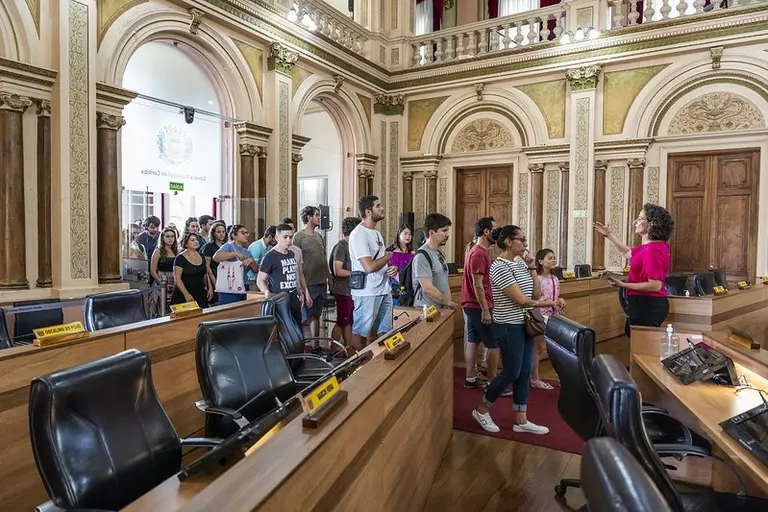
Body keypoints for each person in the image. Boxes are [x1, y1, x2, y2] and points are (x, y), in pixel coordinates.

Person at [471, 225, 560, 436]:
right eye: (522, 239)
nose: (526, 243)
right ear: (509, 242)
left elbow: (535, 294)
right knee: (512, 371)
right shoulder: (499, 267)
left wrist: (531, 268)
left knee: (524, 372)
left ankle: (521, 419)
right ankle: (482, 409)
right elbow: (521, 300)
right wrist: (552, 302)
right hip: (508, 325)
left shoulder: (520, 265)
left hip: (524, 324)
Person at [593, 203, 674, 337]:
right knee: (638, 346)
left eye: (640, 219)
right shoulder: (650, 246)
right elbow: (627, 253)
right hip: (642, 303)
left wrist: (622, 284)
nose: (635, 222)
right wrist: (609, 235)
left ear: (652, 224)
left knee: (643, 349)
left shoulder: (653, 250)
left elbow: (655, 285)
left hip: (649, 305)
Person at [348, 195, 397, 347]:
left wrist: (391, 268)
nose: (382, 208)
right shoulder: (358, 234)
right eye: (378, 205)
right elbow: (369, 267)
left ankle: (377, 365)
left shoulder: (376, 233)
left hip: (383, 288)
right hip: (367, 291)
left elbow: (379, 262)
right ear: (368, 211)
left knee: (384, 331)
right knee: (361, 331)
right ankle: (355, 367)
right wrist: (389, 256)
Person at [461, 217, 498, 389]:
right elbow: (478, 285)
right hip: (477, 305)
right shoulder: (479, 253)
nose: (496, 233)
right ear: (486, 231)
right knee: (493, 344)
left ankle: (470, 378)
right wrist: (485, 310)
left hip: (472, 305)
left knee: (473, 340)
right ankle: (493, 382)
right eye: (494, 229)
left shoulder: (478, 252)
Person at [531, 248, 566, 390]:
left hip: (553, 317)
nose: (553, 260)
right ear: (540, 261)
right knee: (538, 348)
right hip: (539, 316)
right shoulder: (536, 279)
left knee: (556, 347)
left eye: (554, 257)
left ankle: (561, 375)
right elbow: (533, 300)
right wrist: (552, 303)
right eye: (549, 258)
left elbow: (556, 297)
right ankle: (534, 378)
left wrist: (560, 300)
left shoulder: (555, 278)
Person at [293, 206, 330, 337]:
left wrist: (329, 278)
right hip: (307, 282)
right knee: (305, 317)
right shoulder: (299, 237)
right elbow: (296, 261)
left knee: (316, 315)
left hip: (320, 281)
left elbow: (323, 258)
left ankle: (315, 345)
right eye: (317, 215)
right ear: (309, 217)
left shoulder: (319, 236)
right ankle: (302, 344)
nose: (320, 217)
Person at [257, 224, 302, 325]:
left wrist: (300, 293)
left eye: (291, 237)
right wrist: (267, 293)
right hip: (280, 302)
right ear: (277, 238)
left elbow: (293, 275)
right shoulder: (270, 256)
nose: (289, 240)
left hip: (293, 300)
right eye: (285, 237)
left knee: (298, 333)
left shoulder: (291, 254)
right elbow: (260, 279)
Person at [412, 213, 456, 309]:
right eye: (444, 231)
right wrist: (447, 302)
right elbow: (428, 288)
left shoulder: (438, 253)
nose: (447, 234)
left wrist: (446, 302)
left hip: (440, 308)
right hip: (427, 310)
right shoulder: (422, 256)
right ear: (432, 232)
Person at [330, 217, 361, 349]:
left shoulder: (353, 246)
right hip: (342, 289)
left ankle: (348, 348)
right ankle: (332, 350)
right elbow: (338, 270)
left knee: (349, 321)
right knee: (342, 320)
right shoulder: (341, 246)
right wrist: (356, 272)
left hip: (352, 289)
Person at [212, 224, 255, 304]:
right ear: (234, 235)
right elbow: (216, 257)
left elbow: (256, 270)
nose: (246, 235)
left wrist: (252, 261)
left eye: (247, 233)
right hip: (228, 289)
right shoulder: (228, 246)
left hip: (243, 286)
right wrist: (234, 254)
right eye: (243, 233)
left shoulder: (247, 252)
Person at [171, 232, 214, 307]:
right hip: (184, 292)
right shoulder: (180, 258)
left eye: (196, 240)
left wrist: (209, 287)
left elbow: (205, 273)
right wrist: (186, 294)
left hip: (200, 292)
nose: (196, 242)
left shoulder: (201, 256)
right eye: (192, 240)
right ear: (186, 244)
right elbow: (177, 278)